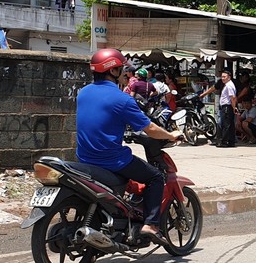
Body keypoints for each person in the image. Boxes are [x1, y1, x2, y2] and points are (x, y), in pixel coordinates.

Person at [76, 48, 181, 246]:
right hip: (112, 161)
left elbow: (99, 121)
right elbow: (150, 129)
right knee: (155, 177)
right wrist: (171, 136)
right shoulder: (122, 98)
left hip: (84, 159)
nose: (126, 74)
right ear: (113, 71)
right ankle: (151, 225)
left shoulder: (83, 93)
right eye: (122, 70)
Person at [216, 70, 237, 148]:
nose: (223, 78)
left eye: (224, 77)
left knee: (226, 125)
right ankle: (230, 141)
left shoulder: (229, 85)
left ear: (229, 77)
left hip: (227, 107)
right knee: (229, 125)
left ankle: (224, 141)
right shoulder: (227, 85)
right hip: (226, 107)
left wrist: (234, 107)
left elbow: (232, 97)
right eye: (222, 77)